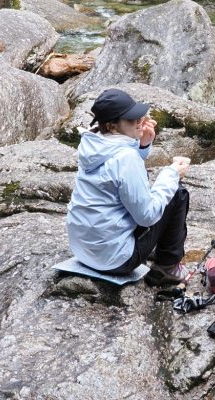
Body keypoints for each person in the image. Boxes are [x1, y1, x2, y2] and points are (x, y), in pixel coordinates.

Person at [66, 88, 192, 285]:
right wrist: (172, 174)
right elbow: (147, 216)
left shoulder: (92, 144)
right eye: (133, 120)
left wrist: (142, 145)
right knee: (177, 192)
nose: (139, 122)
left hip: (83, 251)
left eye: (139, 117)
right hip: (115, 261)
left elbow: (114, 173)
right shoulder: (126, 158)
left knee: (155, 192)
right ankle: (167, 268)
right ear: (113, 126)